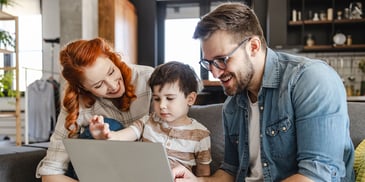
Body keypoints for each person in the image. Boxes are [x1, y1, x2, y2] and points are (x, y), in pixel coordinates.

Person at [172, 2, 354, 182]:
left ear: (253, 46)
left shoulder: (310, 79)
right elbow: (230, 171)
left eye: (222, 59)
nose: (216, 72)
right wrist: (197, 181)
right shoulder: (233, 105)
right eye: (209, 63)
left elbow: (316, 176)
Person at [36, 37, 154, 182]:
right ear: (82, 88)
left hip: (142, 171)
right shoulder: (77, 104)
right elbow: (50, 173)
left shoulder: (149, 80)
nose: (112, 86)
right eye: (98, 85)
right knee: (109, 126)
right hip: (99, 175)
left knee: (112, 127)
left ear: (112, 58)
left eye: (111, 72)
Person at [89, 61, 212, 177]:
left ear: (190, 99)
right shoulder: (148, 121)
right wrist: (105, 135)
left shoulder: (200, 135)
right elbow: (123, 136)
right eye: (157, 99)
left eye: (169, 98)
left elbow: (202, 175)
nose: (162, 106)